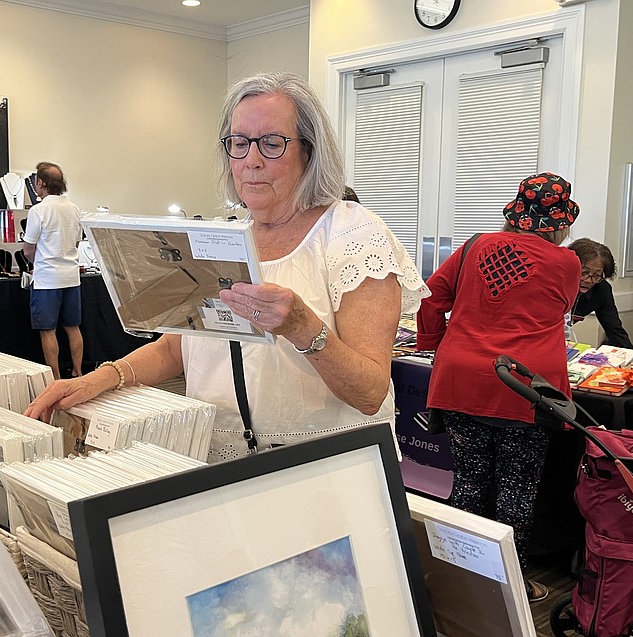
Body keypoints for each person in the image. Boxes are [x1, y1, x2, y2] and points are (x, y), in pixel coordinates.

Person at [25, 72, 429, 460]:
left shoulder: (352, 233)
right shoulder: (223, 238)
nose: (251, 160)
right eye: (239, 142)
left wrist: (303, 327)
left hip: (325, 470)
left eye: (272, 143)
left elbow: (370, 392)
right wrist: (98, 379)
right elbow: (179, 348)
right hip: (222, 465)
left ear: (308, 151)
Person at [416, 172, 581, 602]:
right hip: (524, 387)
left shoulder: (474, 246)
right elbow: (562, 307)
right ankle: (512, 584)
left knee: (469, 480)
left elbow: (431, 296)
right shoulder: (566, 263)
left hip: (461, 378)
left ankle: (456, 578)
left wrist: (435, 346)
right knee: (517, 489)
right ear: (560, 221)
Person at [22, 162, 83, 380]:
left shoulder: (39, 210)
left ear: (40, 183)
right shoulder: (74, 208)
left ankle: (56, 378)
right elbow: (76, 243)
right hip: (71, 276)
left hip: (47, 279)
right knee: (73, 328)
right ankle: (78, 371)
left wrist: (35, 259)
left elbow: (28, 249)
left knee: (48, 330)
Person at [567, 238, 633, 349]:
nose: (589, 280)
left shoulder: (601, 290)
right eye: (584, 273)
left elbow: (615, 330)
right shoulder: (555, 283)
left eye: (596, 275)